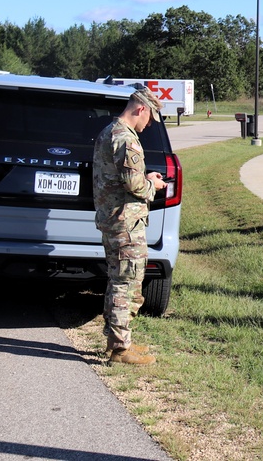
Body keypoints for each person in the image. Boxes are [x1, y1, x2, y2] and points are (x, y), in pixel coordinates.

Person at [93, 86, 168, 365]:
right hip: (125, 221)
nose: (148, 126)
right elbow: (134, 185)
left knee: (119, 278)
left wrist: (143, 175)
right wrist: (154, 184)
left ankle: (118, 342)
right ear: (141, 109)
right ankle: (121, 350)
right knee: (127, 281)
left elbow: (119, 177)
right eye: (149, 119)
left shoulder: (109, 132)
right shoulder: (125, 138)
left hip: (115, 218)